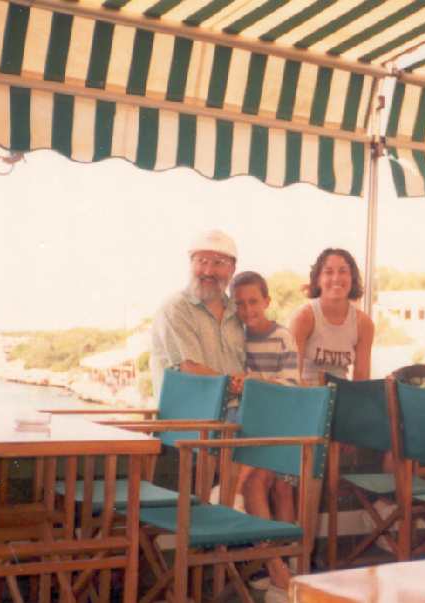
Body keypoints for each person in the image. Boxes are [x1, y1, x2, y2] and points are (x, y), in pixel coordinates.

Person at [230, 271, 299, 594]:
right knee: (259, 482)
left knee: (276, 486)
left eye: (253, 301)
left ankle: (286, 565)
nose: (247, 309)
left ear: (267, 301)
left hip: (284, 424)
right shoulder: (237, 337)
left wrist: (254, 380)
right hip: (256, 425)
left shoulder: (283, 336)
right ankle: (277, 568)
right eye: (240, 303)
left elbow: (291, 385)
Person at [149, 228, 245, 408]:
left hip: (235, 424)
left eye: (218, 263)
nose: (208, 271)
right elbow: (190, 370)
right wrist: (244, 385)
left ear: (232, 269)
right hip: (189, 425)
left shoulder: (239, 312)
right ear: (190, 264)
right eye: (202, 261)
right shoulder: (175, 309)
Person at [290, 248, 375, 385]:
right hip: (305, 395)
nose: (336, 278)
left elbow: (361, 381)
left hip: (342, 397)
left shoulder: (363, 323)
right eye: (328, 272)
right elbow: (292, 378)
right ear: (318, 280)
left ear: (352, 279)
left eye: (343, 271)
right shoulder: (303, 317)